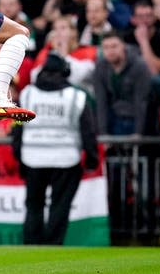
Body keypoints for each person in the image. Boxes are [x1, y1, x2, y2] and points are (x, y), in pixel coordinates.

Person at [13, 52, 99, 245]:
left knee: (34, 206)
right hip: (66, 159)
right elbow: (88, 132)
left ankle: (31, 247)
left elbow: (17, 130)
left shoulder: (27, 94)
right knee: (60, 206)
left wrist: (18, 156)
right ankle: (53, 247)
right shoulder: (76, 96)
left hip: (32, 158)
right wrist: (92, 160)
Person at [94, 31, 152, 136]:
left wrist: (138, 132)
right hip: (114, 116)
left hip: (134, 117)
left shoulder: (139, 66)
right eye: (106, 48)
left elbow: (141, 102)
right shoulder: (100, 66)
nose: (110, 51)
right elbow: (101, 101)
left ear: (123, 46)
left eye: (114, 46)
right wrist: (103, 132)